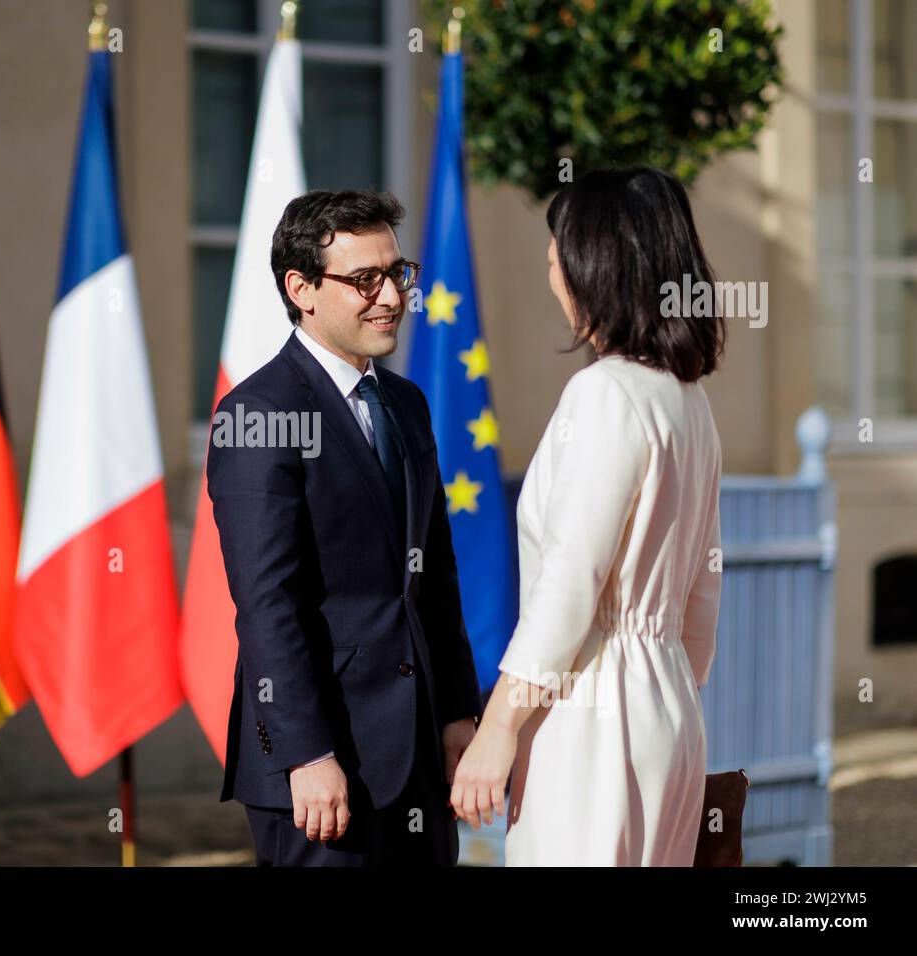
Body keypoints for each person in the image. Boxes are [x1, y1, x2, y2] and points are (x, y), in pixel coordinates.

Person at [450, 166, 726, 866]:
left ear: (592, 265)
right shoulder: (690, 402)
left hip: (593, 708)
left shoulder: (604, 394)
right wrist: (663, 685)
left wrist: (501, 726)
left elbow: (571, 579)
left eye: (556, 260)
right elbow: (703, 590)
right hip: (668, 704)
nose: (552, 278)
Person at [208, 189, 482, 866]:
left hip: (417, 760)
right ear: (300, 288)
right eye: (365, 279)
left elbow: (434, 575)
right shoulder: (258, 413)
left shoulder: (406, 404)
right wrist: (305, 752)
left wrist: (454, 714)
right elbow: (267, 602)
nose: (391, 296)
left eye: (398, 273)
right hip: (321, 772)